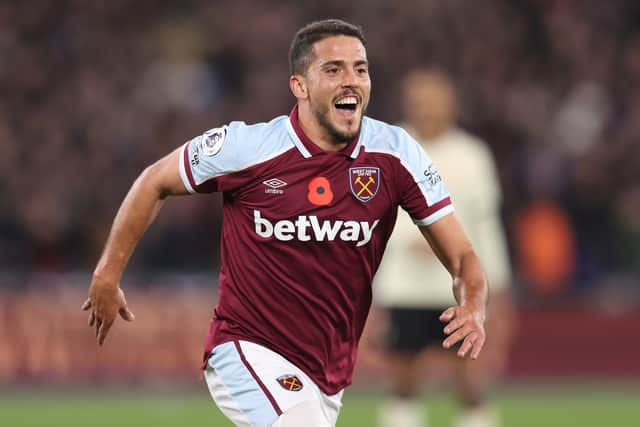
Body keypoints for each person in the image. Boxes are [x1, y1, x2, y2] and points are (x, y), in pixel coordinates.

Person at [82, 20, 488, 427]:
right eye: (333, 70)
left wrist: (473, 302)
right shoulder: (248, 148)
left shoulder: (396, 154)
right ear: (300, 86)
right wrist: (107, 273)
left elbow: (462, 254)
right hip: (245, 348)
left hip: (326, 371)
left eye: (360, 69)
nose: (351, 81)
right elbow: (155, 180)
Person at [374, 69, 515, 427]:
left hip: (456, 287)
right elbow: (366, 215)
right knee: (402, 383)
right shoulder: (385, 147)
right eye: (419, 101)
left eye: (433, 101)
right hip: (403, 286)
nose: (426, 109)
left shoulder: (472, 155)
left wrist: (496, 285)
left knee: (468, 381)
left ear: (450, 105)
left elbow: (485, 222)